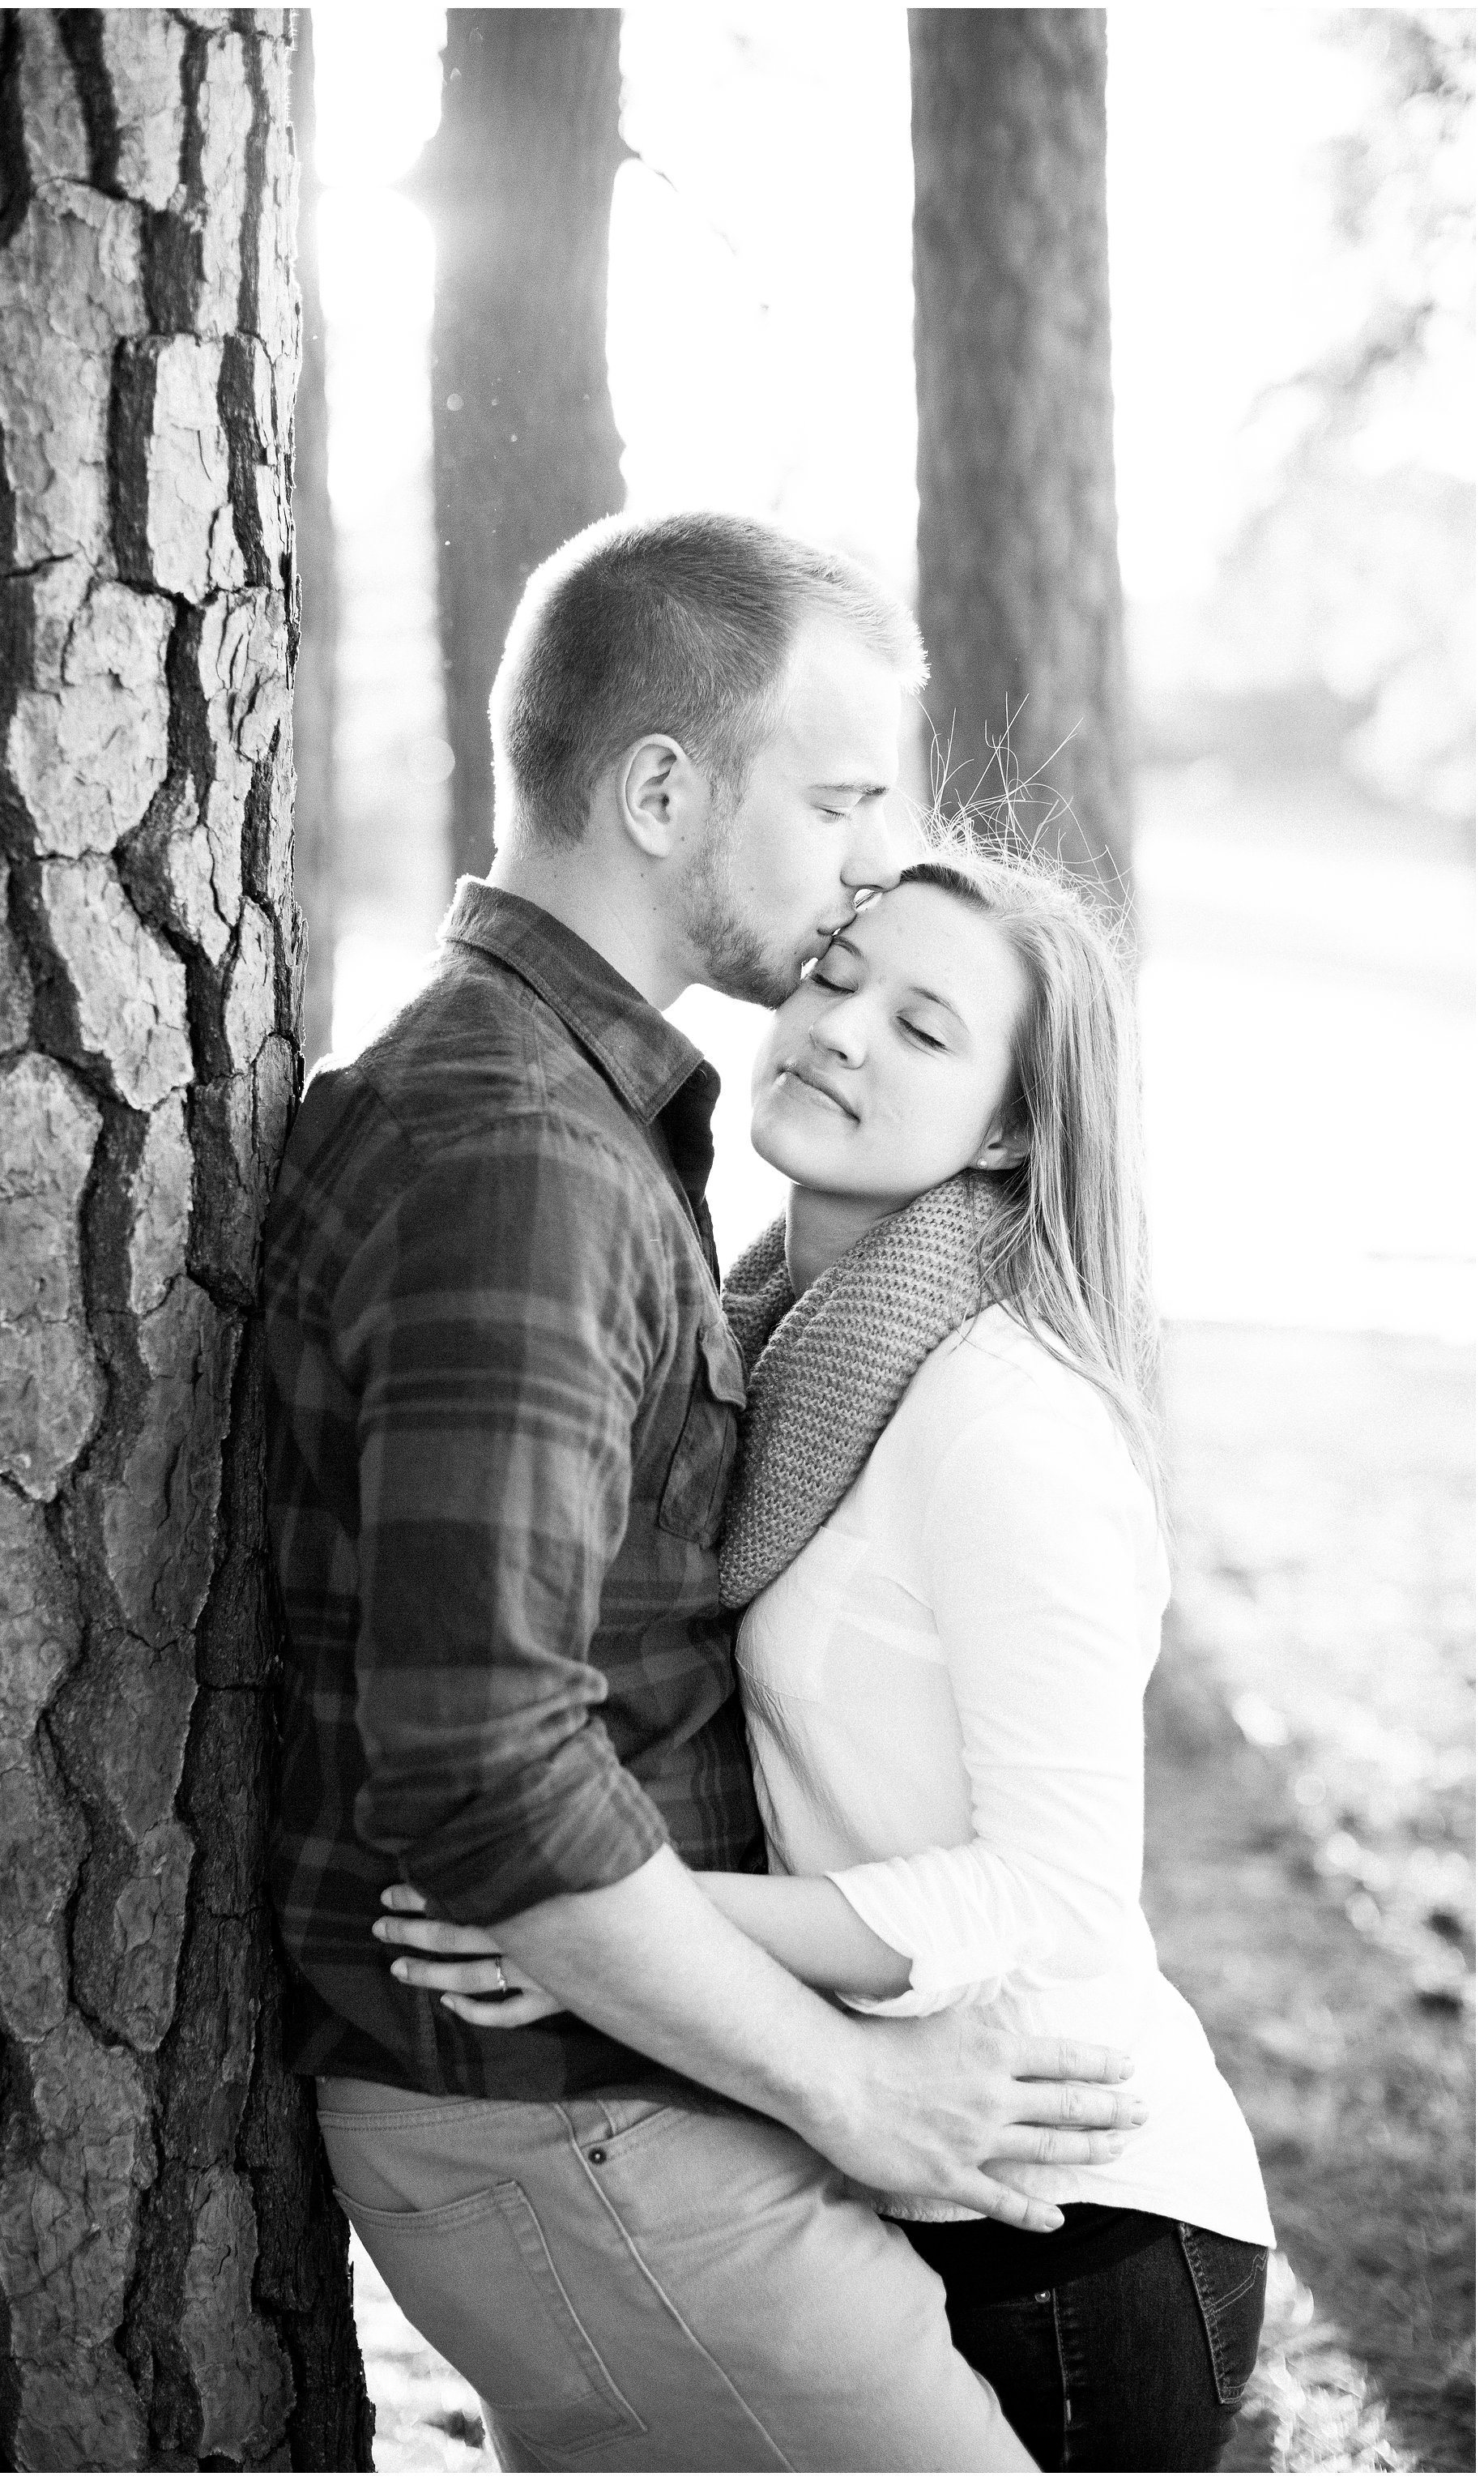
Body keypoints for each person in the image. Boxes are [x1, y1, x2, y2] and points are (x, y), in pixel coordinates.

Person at [264, 512, 1145, 2473]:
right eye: (837, 796)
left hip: (605, 2064)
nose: (870, 856)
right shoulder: (522, 1152)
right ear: (661, 787)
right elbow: (489, 1772)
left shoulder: (581, 1123)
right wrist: (848, 2086)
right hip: (556, 2098)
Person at [392, 840, 1275, 2470]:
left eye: (926, 1028)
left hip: (1074, 2222)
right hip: (901, 2162)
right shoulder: (774, 1338)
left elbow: (1050, 1888)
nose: (840, 1028)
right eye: (836, 973)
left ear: (1012, 1124)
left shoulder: (1004, 1415)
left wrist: (600, 1925)